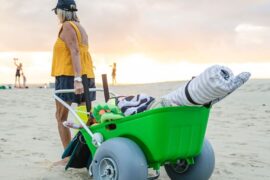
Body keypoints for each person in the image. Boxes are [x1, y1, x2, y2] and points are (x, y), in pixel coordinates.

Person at [51, 0, 96, 154]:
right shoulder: (80, 27)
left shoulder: (68, 26)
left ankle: (68, 155)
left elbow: (75, 51)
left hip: (70, 76)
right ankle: (86, 151)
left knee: (61, 117)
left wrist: (77, 80)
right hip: (87, 75)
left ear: (61, 11)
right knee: (85, 116)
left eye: (56, 12)